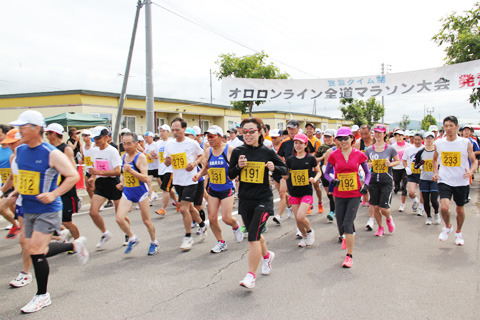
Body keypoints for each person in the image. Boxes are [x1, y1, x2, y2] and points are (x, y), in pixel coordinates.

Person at [8, 110, 88, 313]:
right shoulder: (21, 151)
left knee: (35, 250)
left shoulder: (51, 153)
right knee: (36, 250)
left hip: (48, 210)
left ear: (36, 128)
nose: (19, 131)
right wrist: (16, 192)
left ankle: (42, 295)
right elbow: (26, 176)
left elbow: (71, 176)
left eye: (22, 127)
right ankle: (75, 245)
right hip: (28, 207)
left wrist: (54, 194)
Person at [228, 118, 287, 289]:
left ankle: (250, 276)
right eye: (244, 131)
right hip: (246, 199)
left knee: (253, 236)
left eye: (251, 131)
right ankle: (267, 256)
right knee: (255, 234)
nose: (247, 134)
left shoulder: (267, 152)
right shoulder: (238, 151)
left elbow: (285, 170)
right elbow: (230, 175)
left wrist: (273, 168)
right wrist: (238, 167)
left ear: (261, 132)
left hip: (263, 199)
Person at [324, 127, 370, 267]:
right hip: (339, 193)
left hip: (354, 194)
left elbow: (368, 173)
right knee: (340, 222)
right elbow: (326, 173)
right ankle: (345, 235)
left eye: (346, 138)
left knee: (348, 223)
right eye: (340, 139)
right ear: (336, 140)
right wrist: (332, 180)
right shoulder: (333, 155)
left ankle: (349, 256)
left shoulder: (359, 155)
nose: (343, 141)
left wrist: (366, 185)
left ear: (351, 139)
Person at [194, 125, 244, 253]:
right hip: (213, 189)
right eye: (207, 136)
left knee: (227, 218)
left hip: (227, 188)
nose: (209, 139)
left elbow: (240, 165)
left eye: (211, 136)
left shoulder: (230, 150)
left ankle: (235, 226)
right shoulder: (208, 151)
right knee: (211, 218)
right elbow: (206, 167)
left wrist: (237, 174)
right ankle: (221, 242)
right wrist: (199, 175)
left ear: (220, 137)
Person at [433, 116, 477, 246]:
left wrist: (471, 171)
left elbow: (474, 161)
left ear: (457, 127)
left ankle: (458, 232)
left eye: (451, 125)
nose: (448, 128)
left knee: (459, 209)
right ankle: (447, 227)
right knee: (445, 207)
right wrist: (436, 173)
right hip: (445, 179)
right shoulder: (439, 143)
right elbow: (435, 159)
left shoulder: (465, 142)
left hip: (461, 181)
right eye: (446, 126)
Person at [164, 118, 207, 251]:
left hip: (191, 179)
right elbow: (166, 164)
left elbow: (201, 155)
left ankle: (188, 237)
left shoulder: (192, 143)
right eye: (173, 130)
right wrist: (168, 160)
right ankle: (202, 225)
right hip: (178, 180)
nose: (175, 132)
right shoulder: (169, 144)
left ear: (184, 129)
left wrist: (194, 164)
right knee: (189, 208)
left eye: (178, 130)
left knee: (183, 208)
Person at [115, 132, 158, 255]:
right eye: (124, 143)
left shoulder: (141, 157)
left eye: (129, 143)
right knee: (119, 218)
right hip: (128, 191)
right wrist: (122, 182)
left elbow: (145, 178)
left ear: (136, 144)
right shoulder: (123, 156)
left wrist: (131, 171)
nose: (126, 146)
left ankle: (154, 242)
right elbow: (125, 174)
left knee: (146, 221)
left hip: (141, 192)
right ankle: (132, 238)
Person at [87, 126, 124, 248]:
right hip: (101, 183)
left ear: (106, 137)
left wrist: (99, 172)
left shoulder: (112, 151)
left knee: (119, 216)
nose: (96, 140)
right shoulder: (94, 150)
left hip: (114, 183)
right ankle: (105, 233)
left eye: (98, 138)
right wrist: (92, 177)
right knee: (93, 212)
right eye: (94, 138)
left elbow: (117, 171)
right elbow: (94, 168)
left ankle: (128, 234)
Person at [44, 123, 81, 241]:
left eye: (47, 133)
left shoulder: (66, 149)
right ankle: (63, 238)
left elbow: (73, 170)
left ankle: (78, 242)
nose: (46, 136)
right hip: (52, 190)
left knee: (67, 222)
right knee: (51, 220)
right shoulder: (49, 149)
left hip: (66, 191)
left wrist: (59, 169)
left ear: (53, 134)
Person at [285, 133, 321, 247]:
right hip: (294, 192)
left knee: (301, 216)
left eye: (301, 143)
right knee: (297, 219)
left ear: (306, 144)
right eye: (296, 143)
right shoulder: (290, 159)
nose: (298, 145)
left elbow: (319, 171)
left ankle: (309, 231)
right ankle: (304, 236)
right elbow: (286, 175)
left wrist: (314, 179)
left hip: (306, 191)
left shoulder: (310, 158)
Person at [364, 124, 400, 237]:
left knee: (383, 208)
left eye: (380, 132)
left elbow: (397, 161)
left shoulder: (390, 149)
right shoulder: (369, 149)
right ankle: (380, 227)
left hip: (386, 181)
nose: (378, 134)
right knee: (375, 206)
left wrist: (390, 164)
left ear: (385, 134)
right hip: (373, 181)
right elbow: (363, 163)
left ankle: (389, 218)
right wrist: (367, 165)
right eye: (376, 132)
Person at [277, 120, 316, 221]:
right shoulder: (284, 142)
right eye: (289, 129)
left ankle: (302, 216)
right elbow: (279, 156)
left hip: (305, 174)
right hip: (291, 174)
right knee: (289, 193)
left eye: (293, 128)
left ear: (298, 128)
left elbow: (311, 153)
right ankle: (295, 214)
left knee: (302, 208)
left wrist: (309, 165)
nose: (291, 131)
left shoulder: (305, 140)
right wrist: (284, 167)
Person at [413, 131, 441, 225]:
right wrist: (421, 163)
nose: (429, 140)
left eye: (431, 138)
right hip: (424, 178)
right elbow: (415, 166)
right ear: (424, 140)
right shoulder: (421, 152)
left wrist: (438, 172)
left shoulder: (437, 152)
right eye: (427, 138)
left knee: (433, 199)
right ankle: (428, 216)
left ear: (434, 139)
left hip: (434, 179)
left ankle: (436, 213)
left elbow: (442, 165)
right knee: (425, 199)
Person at [0, 124, 21, 238]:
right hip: (11, 187)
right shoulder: (12, 156)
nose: (10, 146)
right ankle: (16, 224)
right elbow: (12, 177)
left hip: (24, 192)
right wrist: (2, 190)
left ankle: (63, 234)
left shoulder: (27, 154)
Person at [353, 124, 376, 229]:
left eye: (366, 133)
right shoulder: (358, 143)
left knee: (373, 189)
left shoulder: (375, 142)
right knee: (364, 191)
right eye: (361, 134)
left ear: (370, 132)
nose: (364, 136)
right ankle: (367, 200)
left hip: (375, 169)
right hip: (363, 169)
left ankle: (373, 210)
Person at [154, 124, 178, 216]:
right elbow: (157, 156)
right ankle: (177, 202)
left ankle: (163, 209)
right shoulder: (158, 143)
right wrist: (153, 156)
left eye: (163, 131)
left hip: (170, 169)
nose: (161, 133)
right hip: (161, 169)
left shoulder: (172, 142)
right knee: (168, 189)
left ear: (168, 132)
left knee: (165, 189)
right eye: (160, 131)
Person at [315, 129, 337, 220]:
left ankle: (333, 210)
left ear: (333, 137)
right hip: (325, 170)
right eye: (326, 136)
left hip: (335, 171)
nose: (327, 138)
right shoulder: (322, 147)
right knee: (328, 193)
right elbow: (315, 159)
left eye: (329, 136)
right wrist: (323, 157)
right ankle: (334, 206)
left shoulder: (337, 146)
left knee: (333, 192)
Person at [402, 132, 425, 215]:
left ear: (422, 140)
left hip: (422, 173)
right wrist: (406, 168)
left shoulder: (425, 149)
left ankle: (421, 208)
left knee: (422, 193)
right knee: (411, 192)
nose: (417, 141)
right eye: (416, 139)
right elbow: (404, 160)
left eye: (419, 139)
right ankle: (415, 200)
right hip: (412, 173)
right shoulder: (409, 149)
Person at [391, 130, 410, 212]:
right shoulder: (393, 146)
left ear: (403, 136)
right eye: (396, 136)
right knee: (397, 184)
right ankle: (396, 187)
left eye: (400, 135)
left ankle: (402, 204)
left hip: (404, 167)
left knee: (404, 185)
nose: (398, 137)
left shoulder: (408, 146)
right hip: (396, 168)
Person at [461, 124, 480, 203]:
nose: (466, 132)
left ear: (470, 132)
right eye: (465, 130)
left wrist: (471, 153)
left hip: (469, 163)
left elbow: (478, 151)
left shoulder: (473, 141)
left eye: (468, 131)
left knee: (468, 180)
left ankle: (466, 194)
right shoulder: (459, 141)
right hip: (460, 164)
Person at [144, 131, 160, 205]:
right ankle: (150, 198)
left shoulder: (156, 145)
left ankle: (170, 193)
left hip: (157, 166)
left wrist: (153, 156)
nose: (146, 139)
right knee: (148, 182)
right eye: (145, 138)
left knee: (160, 184)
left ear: (152, 138)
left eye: (147, 138)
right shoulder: (145, 146)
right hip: (149, 167)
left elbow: (159, 156)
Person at [81, 130, 96, 199]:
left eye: (86, 135)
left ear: (90, 136)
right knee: (88, 188)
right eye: (83, 135)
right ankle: (93, 201)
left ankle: (98, 202)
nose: (84, 137)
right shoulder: (82, 147)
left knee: (93, 187)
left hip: (95, 169)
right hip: (87, 169)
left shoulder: (94, 145)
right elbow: (83, 157)